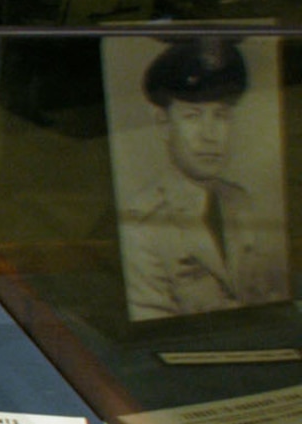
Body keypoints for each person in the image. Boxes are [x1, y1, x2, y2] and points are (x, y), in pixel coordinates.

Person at [121, 39, 290, 320]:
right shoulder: (140, 222)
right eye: (193, 116)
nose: (209, 134)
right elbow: (150, 331)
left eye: (221, 115)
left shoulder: (242, 203)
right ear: (163, 122)